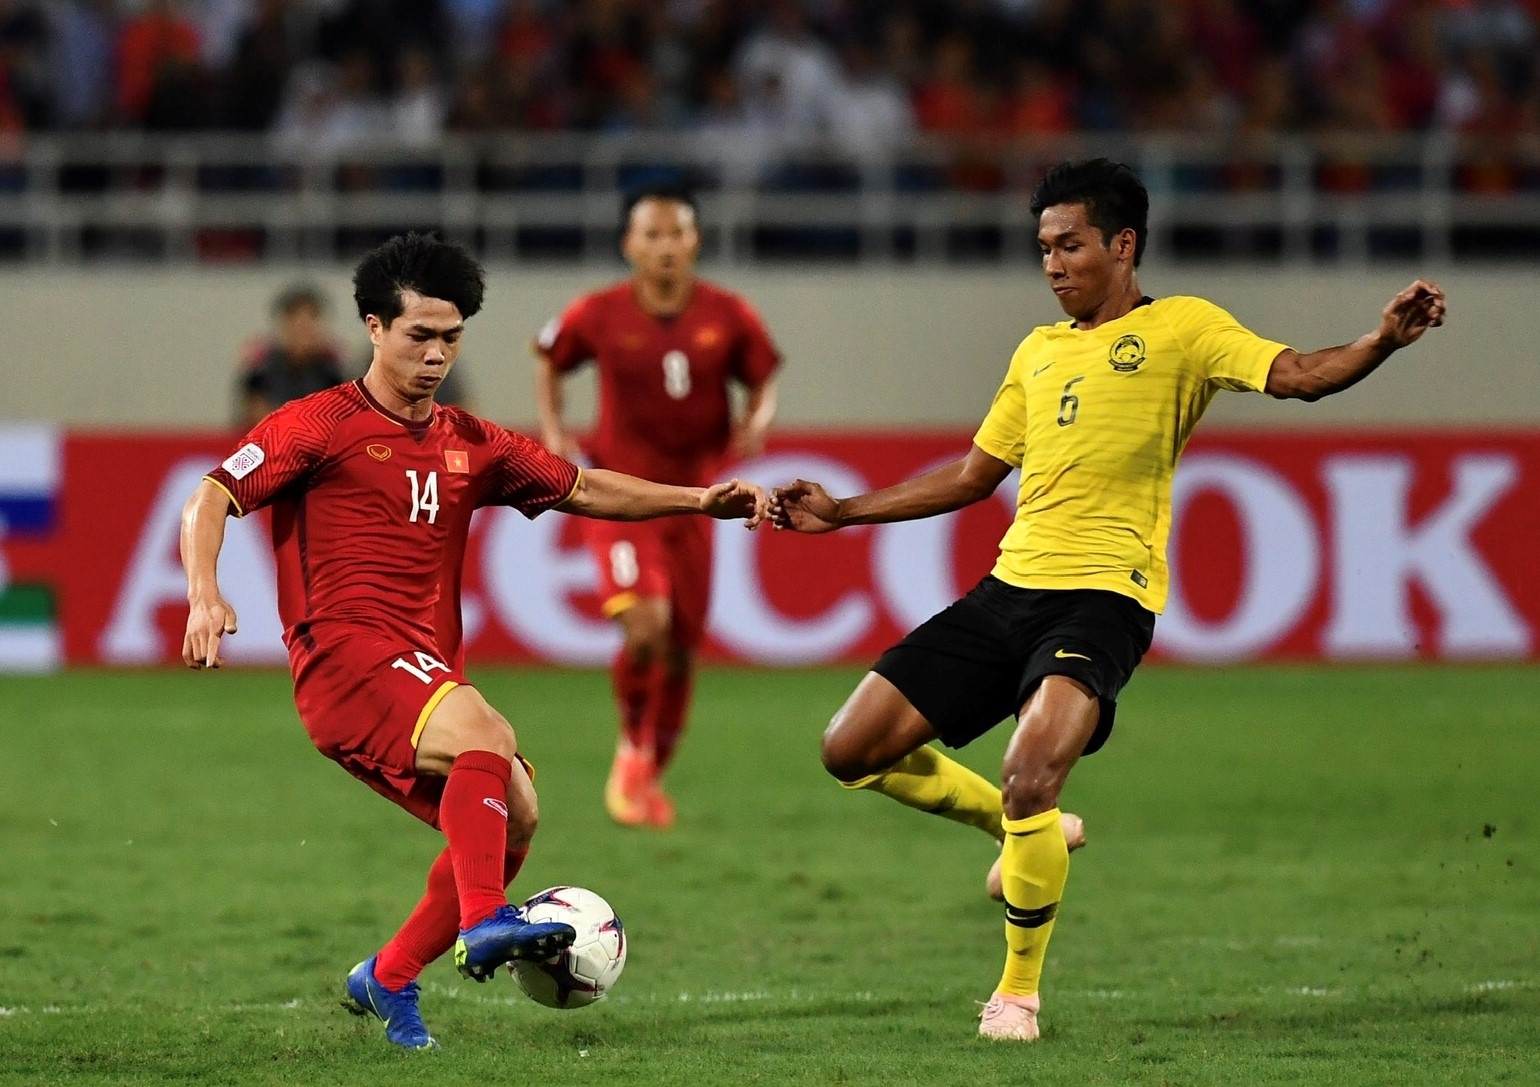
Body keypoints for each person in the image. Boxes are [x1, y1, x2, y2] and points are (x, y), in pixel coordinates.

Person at [769, 158, 1446, 1043]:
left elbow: (1300, 375)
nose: (1052, 264)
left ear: (1123, 246)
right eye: (1043, 246)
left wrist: (1381, 340)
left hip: (1105, 599)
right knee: (848, 747)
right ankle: (1018, 836)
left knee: (1031, 767)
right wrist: (846, 512)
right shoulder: (1038, 351)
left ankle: (1017, 994)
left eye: (1070, 245)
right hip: (1010, 588)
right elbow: (976, 475)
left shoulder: (1186, 329)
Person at [182, 233, 766, 1050]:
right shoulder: (315, 424)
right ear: (374, 328)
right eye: (418, 335)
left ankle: (387, 975)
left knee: (516, 815)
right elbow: (210, 496)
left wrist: (700, 499)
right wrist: (205, 592)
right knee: (487, 733)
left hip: (416, 670)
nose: (435, 354)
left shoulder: (473, 442)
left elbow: (584, 485)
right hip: (344, 657)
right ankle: (487, 919)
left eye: (450, 337)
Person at [533, 184, 782, 830]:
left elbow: (763, 374)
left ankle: (649, 770)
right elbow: (549, 355)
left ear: (694, 241)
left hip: (701, 502)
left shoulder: (728, 314)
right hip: (621, 496)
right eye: (652, 235)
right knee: (645, 627)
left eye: (677, 234)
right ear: (630, 245)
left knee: (680, 647)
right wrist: (554, 430)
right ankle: (630, 751)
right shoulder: (599, 312)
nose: (665, 247)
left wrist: (759, 416)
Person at [236, 283, 347, 428]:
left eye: (310, 321)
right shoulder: (261, 370)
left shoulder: (332, 372)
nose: (302, 329)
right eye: (295, 321)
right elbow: (256, 415)